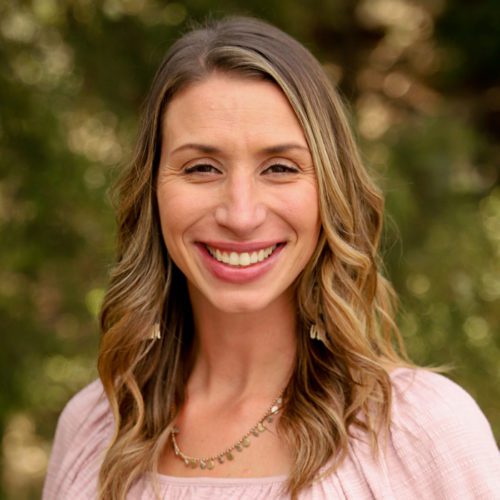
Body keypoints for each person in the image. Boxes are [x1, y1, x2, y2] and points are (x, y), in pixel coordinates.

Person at [42, 16, 500, 500]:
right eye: (202, 167)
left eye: (280, 167)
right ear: (152, 192)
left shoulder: (420, 431)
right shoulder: (93, 431)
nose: (240, 214)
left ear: (329, 190)